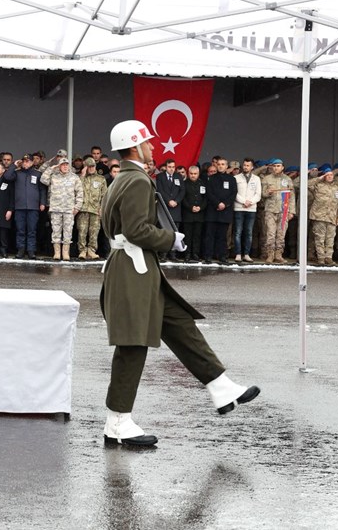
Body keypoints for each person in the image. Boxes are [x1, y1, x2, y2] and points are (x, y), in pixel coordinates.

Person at [100, 120, 259, 447]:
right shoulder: (137, 181)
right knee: (133, 345)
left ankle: (220, 385)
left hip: (138, 270)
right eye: (147, 141)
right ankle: (117, 422)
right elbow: (136, 231)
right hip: (133, 270)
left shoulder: (124, 178)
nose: (153, 146)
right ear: (135, 145)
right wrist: (171, 238)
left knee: (179, 324)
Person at [6, 154, 47, 259]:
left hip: (33, 207)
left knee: (32, 230)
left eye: (28, 161)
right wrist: (14, 165)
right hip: (20, 206)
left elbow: (42, 190)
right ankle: (20, 250)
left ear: (32, 162)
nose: (25, 163)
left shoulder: (37, 174)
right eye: (24, 161)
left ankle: (31, 250)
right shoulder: (17, 173)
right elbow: (7, 177)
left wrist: (42, 202)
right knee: (20, 230)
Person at [41, 157, 82, 261]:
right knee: (56, 231)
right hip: (56, 208)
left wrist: (77, 207)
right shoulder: (54, 176)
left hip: (69, 209)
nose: (65, 166)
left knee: (68, 231)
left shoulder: (74, 177)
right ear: (59, 166)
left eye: (66, 164)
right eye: (63, 165)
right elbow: (43, 180)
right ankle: (57, 252)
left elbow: (80, 193)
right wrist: (51, 168)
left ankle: (65, 252)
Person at [308, 165, 338, 266]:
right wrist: (319, 178)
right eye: (327, 175)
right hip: (319, 216)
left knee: (330, 239)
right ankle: (321, 258)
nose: (329, 176)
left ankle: (328, 257)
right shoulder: (318, 186)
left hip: (332, 217)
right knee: (319, 238)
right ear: (324, 176)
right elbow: (307, 184)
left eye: (331, 175)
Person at [203, 158, 235, 264]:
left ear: (226, 167)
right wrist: (218, 203)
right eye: (219, 164)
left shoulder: (231, 179)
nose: (220, 166)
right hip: (212, 210)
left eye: (223, 164)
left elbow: (233, 194)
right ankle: (208, 256)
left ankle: (222, 256)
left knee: (222, 236)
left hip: (225, 212)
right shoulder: (210, 178)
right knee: (209, 235)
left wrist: (224, 204)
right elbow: (209, 193)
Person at [77, 157, 108, 260]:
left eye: (93, 166)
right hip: (83, 209)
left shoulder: (101, 179)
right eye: (88, 166)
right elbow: (76, 189)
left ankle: (91, 250)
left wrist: (102, 208)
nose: (91, 168)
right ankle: (82, 250)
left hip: (95, 209)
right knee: (82, 231)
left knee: (94, 231)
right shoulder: (80, 178)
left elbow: (104, 195)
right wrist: (82, 174)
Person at [233, 158, 262, 263]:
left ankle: (246, 254)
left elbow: (258, 194)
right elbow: (234, 193)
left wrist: (250, 202)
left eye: (248, 165)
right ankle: (238, 254)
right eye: (244, 165)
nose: (246, 167)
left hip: (251, 208)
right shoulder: (236, 178)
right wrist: (243, 201)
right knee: (238, 232)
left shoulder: (257, 179)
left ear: (252, 167)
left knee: (249, 232)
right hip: (239, 207)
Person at [154, 159, 184, 261]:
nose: (171, 169)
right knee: (164, 232)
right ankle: (163, 254)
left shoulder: (178, 176)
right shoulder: (160, 177)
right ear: (166, 167)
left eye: (173, 167)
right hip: (165, 207)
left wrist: (176, 201)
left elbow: (182, 191)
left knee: (175, 233)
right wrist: (168, 201)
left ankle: (173, 254)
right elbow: (160, 190)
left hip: (176, 208)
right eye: (169, 167)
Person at [181, 164, 206, 262]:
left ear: (198, 174)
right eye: (191, 174)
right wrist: (191, 207)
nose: (193, 175)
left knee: (197, 235)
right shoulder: (184, 183)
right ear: (188, 173)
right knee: (187, 235)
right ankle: (187, 254)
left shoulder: (202, 183)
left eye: (195, 174)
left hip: (199, 214)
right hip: (188, 214)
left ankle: (195, 254)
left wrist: (200, 207)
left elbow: (205, 199)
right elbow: (183, 199)